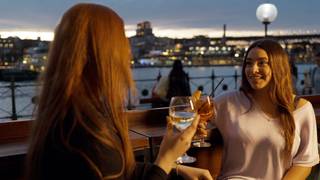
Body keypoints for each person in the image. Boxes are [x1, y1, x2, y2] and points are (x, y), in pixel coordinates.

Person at [25, 3, 212, 180]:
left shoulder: (71, 114)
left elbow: (118, 171)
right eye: (121, 43)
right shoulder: (80, 134)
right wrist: (166, 157)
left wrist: (176, 169)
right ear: (102, 55)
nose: (128, 52)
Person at [212, 39, 319, 180]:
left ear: (278, 66)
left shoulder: (302, 109)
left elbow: (304, 163)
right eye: (248, 63)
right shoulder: (226, 102)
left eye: (262, 63)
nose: (253, 70)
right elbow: (191, 130)